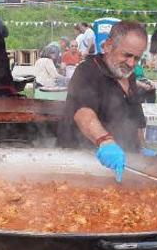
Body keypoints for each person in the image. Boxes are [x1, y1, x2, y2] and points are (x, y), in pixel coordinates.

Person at [57, 21, 151, 181]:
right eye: (127, 55)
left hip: (123, 166)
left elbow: (136, 121)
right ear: (108, 46)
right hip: (85, 167)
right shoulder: (87, 71)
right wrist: (105, 141)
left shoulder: (129, 75)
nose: (131, 63)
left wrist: (141, 150)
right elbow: (83, 113)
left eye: (137, 58)